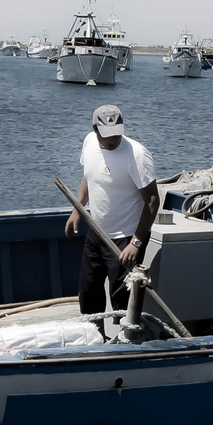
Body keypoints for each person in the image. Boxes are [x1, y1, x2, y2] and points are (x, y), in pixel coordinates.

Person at [66, 104, 159, 315]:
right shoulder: (89, 143)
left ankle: (124, 342)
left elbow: (152, 201)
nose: (112, 140)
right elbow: (89, 177)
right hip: (96, 233)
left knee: (122, 303)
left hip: (125, 238)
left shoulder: (136, 155)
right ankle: (97, 339)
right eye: (106, 135)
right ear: (94, 129)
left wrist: (136, 243)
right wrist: (77, 210)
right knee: (88, 294)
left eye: (116, 134)